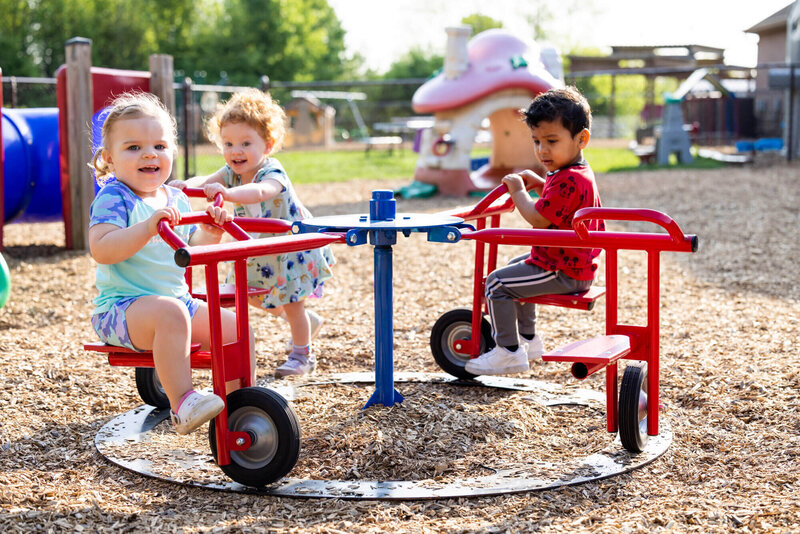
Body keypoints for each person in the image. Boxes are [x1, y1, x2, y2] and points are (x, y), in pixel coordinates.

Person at [89, 92, 253, 435]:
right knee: (171, 314)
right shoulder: (114, 197)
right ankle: (183, 404)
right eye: (133, 148)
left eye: (159, 146)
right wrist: (148, 227)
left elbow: (189, 249)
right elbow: (102, 249)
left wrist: (210, 230)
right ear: (109, 158)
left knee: (235, 328)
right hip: (121, 310)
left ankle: (241, 403)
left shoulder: (175, 197)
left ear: (172, 153)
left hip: (177, 303)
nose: (149, 154)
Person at [172, 89, 335, 378]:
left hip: (289, 247)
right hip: (257, 249)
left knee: (291, 302)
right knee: (248, 296)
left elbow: (262, 192)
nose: (236, 151)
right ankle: (307, 322)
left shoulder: (272, 171)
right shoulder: (229, 172)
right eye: (229, 143)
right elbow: (206, 182)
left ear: (268, 145)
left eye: (246, 143)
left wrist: (228, 193)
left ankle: (302, 355)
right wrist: (185, 185)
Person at [465, 86, 605, 376]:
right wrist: (539, 182)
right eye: (536, 141)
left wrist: (518, 190)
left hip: (564, 270)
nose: (542, 150)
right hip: (568, 261)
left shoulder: (568, 180)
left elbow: (538, 218)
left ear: (582, 139)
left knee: (496, 284)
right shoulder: (573, 173)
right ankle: (528, 340)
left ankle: (508, 351)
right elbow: (561, 203)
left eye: (551, 141)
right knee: (514, 267)